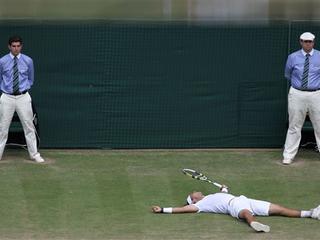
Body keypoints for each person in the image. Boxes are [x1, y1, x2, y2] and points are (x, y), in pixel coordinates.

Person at [151, 187, 320, 233]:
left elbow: (223, 194)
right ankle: (254, 223)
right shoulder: (200, 205)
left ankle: (310, 213)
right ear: (193, 200)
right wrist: (163, 209)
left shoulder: (211, 196)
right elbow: (182, 209)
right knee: (246, 213)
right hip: (234, 206)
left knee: (278, 209)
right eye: (193, 193)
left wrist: (224, 188)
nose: (196, 191)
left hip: (243, 199)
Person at [0, 36, 44, 163]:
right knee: (3, 127)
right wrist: (6, 89)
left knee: (29, 126)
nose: (16, 48)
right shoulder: (2, 61)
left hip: (23, 97)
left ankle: (34, 154)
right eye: (13, 46)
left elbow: (31, 78)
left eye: (18, 46)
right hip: (7, 97)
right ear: (9, 47)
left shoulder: (28, 61)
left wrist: (24, 88)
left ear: (21, 46)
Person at [282, 32, 320, 165]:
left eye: (310, 41)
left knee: (319, 125)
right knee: (294, 125)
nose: (307, 44)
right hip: (297, 93)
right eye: (305, 41)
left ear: (313, 42)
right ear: (301, 42)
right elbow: (288, 74)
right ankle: (288, 156)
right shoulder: (292, 57)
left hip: (316, 94)